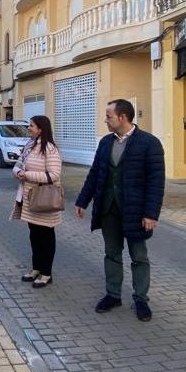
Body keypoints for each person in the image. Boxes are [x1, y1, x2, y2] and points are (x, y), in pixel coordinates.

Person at [75, 99, 164, 321]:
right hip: (108, 210)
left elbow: (156, 182)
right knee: (111, 253)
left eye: (108, 116)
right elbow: (95, 173)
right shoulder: (105, 142)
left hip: (135, 211)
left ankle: (141, 299)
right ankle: (113, 294)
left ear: (122, 117)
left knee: (139, 256)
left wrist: (151, 214)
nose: (105, 120)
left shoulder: (149, 143)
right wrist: (82, 201)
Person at [10, 116, 64, 288]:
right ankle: (36, 268)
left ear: (41, 128)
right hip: (29, 199)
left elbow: (54, 175)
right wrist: (18, 172)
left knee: (46, 237)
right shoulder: (29, 146)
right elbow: (18, 164)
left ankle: (46, 273)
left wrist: (27, 175)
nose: (29, 128)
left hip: (44, 200)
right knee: (34, 236)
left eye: (31, 126)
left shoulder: (50, 149)